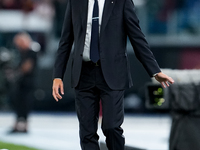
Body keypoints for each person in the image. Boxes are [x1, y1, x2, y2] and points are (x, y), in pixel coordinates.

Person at [52, 0, 174, 149]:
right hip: (83, 73)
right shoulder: (76, 2)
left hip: (113, 73)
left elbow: (137, 38)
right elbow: (65, 40)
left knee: (111, 127)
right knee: (86, 132)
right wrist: (58, 75)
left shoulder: (121, 2)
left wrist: (155, 71)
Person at [9, 32, 37, 133]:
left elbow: (27, 67)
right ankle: (17, 125)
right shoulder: (20, 52)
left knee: (25, 104)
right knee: (18, 103)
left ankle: (24, 126)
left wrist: (16, 73)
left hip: (28, 82)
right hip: (20, 82)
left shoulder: (32, 51)